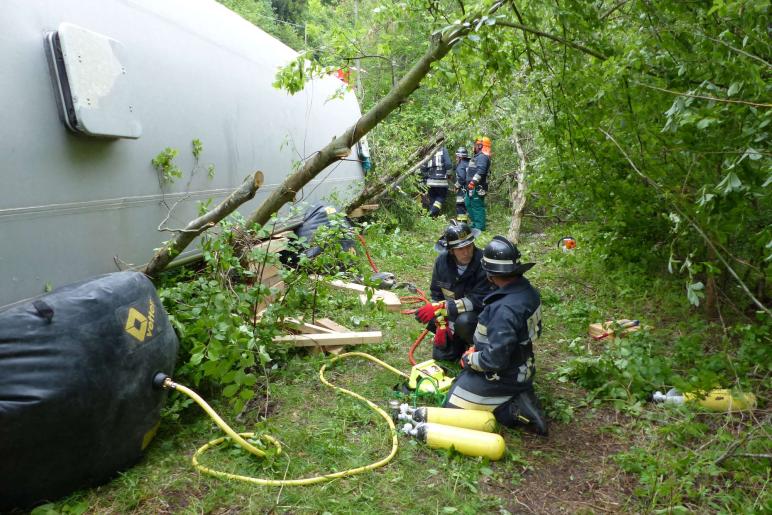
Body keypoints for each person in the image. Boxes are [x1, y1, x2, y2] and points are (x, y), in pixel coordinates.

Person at [444, 236, 548, 436]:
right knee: (463, 382)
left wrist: (470, 359)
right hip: (522, 365)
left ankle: (515, 409)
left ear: (490, 274)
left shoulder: (504, 309)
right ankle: (518, 393)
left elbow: (495, 360)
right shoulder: (527, 292)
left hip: (503, 375)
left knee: (452, 407)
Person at [415, 221, 494, 362]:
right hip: (452, 314)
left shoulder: (484, 264)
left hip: (479, 316)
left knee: (465, 322)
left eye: (469, 246)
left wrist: (444, 307)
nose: (466, 252)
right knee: (442, 356)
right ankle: (457, 342)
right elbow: (437, 292)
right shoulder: (442, 262)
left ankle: (478, 347)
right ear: (451, 250)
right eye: (460, 249)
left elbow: (479, 300)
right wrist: (441, 322)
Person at [465, 136, 491, 230]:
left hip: (477, 186)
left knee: (477, 205)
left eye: (476, 145)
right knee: (468, 203)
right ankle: (475, 223)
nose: (474, 147)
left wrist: (473, 182)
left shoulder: (483, 157)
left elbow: (481, 171)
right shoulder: (478, 156)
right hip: (471, 186)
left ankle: (480, 226)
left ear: (480, 146)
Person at [420, 146, 452, 217]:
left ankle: (432, 218)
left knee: (432, 200)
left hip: (430, 181)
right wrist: (449, 175)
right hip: (441, 180)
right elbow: (448, 164)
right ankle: (432, 212)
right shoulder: (443, 149)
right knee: (441, 197)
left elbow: (423, 167)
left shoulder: (428, 151)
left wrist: (425, 178)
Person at [453, 147, 470, 223]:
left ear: (460, 157)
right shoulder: (469, 163)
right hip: (470, 190)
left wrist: (456, 186)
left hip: (463, 190)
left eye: (457, 157)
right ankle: (464, 223)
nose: (456, 158)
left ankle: (461, 224)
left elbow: (462, 178)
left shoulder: (461, 165)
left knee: (460, 206)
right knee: (466, 207)